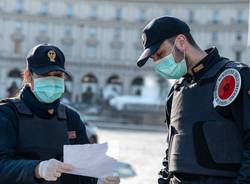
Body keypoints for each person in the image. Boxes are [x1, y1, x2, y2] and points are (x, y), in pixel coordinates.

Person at [137, 16, 250, 184]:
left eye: (160, 54)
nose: (159, 63)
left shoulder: (236, 77)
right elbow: (171, 152)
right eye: (155, 59)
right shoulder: (175, 91)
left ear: (182, 42)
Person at [0, 44, 120, 184]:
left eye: (58, 75)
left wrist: (99, 179)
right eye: (44, 74)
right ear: (28, 76)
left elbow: (86, 171)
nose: (52, 80)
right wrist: (37, 169)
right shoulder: (7, 114)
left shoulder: (71, 118)